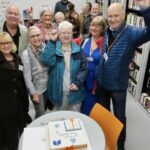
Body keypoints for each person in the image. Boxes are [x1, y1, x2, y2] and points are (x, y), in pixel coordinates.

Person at [95, 1, 150, 150]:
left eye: (116, 16)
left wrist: (146, 9)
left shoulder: (132, 33)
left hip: (117, 87)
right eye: (110, 16)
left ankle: (120, 144)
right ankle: (106, 139)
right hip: (102, 84)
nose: (112, 19)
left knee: (119, 118)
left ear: (123, 15)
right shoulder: (108, 29)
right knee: (104, 116)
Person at [41, 21, 88, 111]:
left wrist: (78, 82)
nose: (66, 35)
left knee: (74, 120)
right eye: (63, 33)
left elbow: (84, 68)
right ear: (59, 34)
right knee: (58, 120)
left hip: (75, 94)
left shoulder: (78, 50)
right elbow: (46, 61)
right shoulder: (54, 47)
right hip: (58, 94)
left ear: (72, 34)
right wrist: (51, 41)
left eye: (68, 33)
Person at [0, 32, 28, 150]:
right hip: (4, 103)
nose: (6, 45)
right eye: (2, 43)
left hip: (19, 100)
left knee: (20, 127)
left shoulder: (17, 58)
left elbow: (21, 79)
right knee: (7, 132)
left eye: (8, 42)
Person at [21, 26, 48, 118]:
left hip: (48, 86)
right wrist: (34, 93)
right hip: (37, 89)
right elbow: (27, 78)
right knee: (40, 114)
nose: (36, 38)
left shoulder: (46, 48)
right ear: (28, 38)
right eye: (32, 36)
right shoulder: (26, 54)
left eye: (38, 35)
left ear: (42, 35)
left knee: (44, 109)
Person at [81, 16, 106, 115]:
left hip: (96, 83)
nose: (94, 28)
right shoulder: (85, 41)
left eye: (97, 26)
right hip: (83, 80)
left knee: (93, 108)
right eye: (92, 25)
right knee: (82, 105)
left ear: (102, 28)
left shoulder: (105, 43)